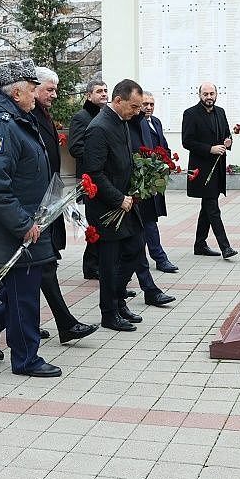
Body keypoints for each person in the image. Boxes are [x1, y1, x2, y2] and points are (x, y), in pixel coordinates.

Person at [0, 59, 61, 378]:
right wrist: (22, 223)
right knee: (23, 297)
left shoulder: (16, 119)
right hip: (15, 229)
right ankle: (26, 359)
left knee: (20, 290)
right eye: (32, 89)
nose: (35, 95)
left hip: (26, 222)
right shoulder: (2, 125)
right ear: (17, 92)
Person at [29, 67, 98, 344]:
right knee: (42, 266)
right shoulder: (26, 117)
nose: (54, 95)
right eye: (50, 89)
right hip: (35, 204)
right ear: (33, 87)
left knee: (41, 267)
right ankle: (63, 323)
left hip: (49, 197)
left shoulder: (40, 114)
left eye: (55, 89)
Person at [82, 78, 148, 332]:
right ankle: (109, 313)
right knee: (109, 264)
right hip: (107, 208)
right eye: (134, 106)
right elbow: (94, 172)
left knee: (134, 248)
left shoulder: (121, 121)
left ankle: (119, 301)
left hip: (126, 202)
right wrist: (118, 199)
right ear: (118, 101)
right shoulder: (99, 128)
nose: (137, 111)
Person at [182, 82, 237, 259]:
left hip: (217, 168)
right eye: (205, 94)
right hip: (202, 170)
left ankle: (200, 244)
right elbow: (187, 141)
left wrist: (228, 142)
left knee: (207, 206)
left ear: (216, 94)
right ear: (199, 95)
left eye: (212, 93)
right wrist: (209, 149)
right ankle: (225, 247)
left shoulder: (220, 112)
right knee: (212, 207)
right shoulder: (190, 114)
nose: (209, 97)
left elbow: (226, 134)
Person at [68, 79, 107, 280]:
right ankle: (91, 266)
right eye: (99, 91)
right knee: (95, 223)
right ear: (88, 95)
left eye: (105, 90)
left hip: (104, 178)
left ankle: (97, 263)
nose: (103, 94)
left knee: (102, 223)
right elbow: (74, 147)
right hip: (90, 179)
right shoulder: (81, 117)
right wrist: (99, 156)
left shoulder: (106, 116)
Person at [138, 93, 178, 273]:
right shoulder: (136, 123)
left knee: (150, 218)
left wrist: (167, 162)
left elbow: (164, 145)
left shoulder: (156, 122)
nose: (148, 107)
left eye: (151, 104)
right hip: (143, 179)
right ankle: (159, 257)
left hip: (156, 177)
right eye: (145, 104)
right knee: (149, 219)